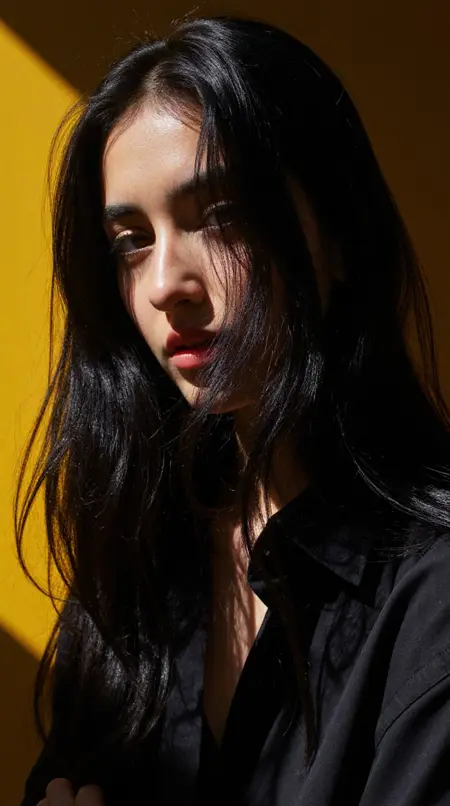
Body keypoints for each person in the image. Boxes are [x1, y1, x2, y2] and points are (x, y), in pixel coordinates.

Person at [16, 14, 450, 806]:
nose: (164, 285)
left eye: (221, 216)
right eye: (132, 240)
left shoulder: (433, 592)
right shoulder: (139, 554)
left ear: (338, 235)